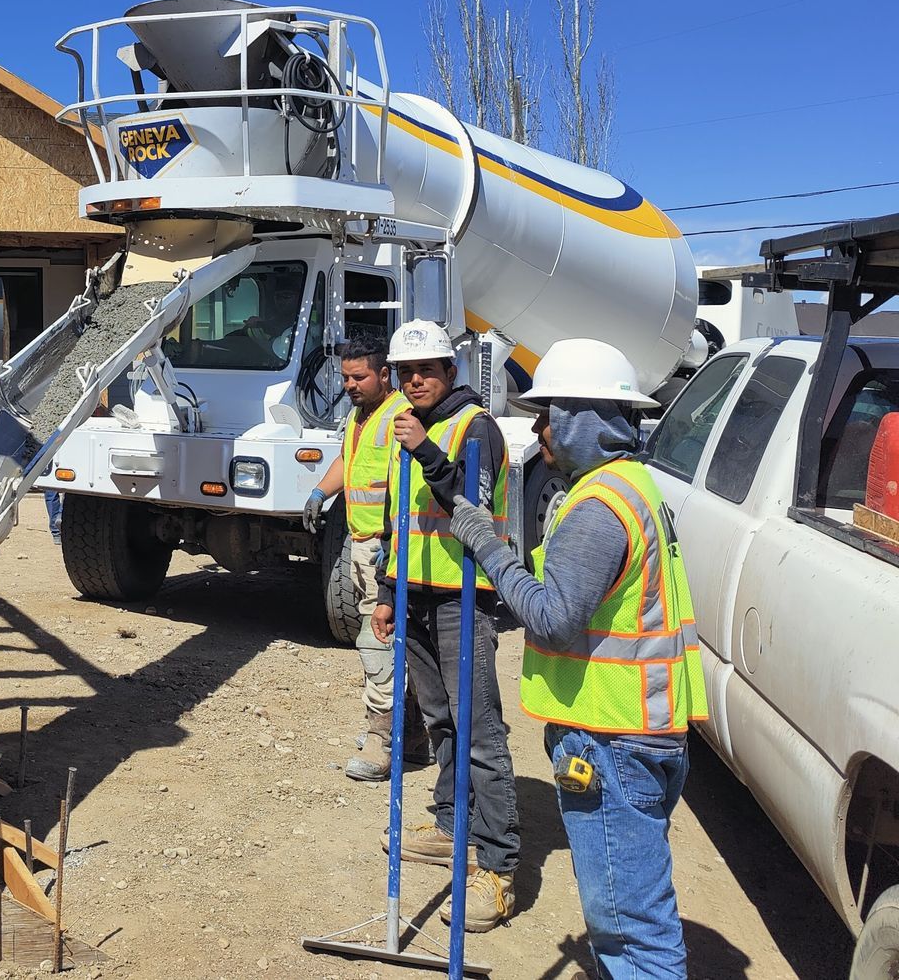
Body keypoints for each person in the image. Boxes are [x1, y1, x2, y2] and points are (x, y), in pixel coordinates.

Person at [448, 338, 707, 979]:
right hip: (645, 729)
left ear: (583, 418)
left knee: (630, 930)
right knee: (629, 912)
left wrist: (485, 544)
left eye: (549, 415)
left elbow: (553, 621)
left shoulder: (598, 509)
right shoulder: (634, 486)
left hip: (613, 740)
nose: (539, 430)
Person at [370, 319, 520, 932]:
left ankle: (498, 864)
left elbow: (470, 504)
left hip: (464, 595)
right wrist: (387, 590)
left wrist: (425, 451)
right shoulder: (410, 424)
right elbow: (398, 515)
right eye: (405, 372)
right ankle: (451, 824)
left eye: (425, 370)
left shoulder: (473, 426)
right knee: (439, 720)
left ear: (449, 372)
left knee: (478, 728)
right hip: (415, 593)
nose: (414, 381)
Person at [303, 335, 413, 782]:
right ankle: (412, 735)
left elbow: (408, 487)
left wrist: (391, 544)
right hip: (363, 544)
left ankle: (382, 739)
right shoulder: (359, 416)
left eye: (359, 377)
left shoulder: (400, 417)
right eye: (345, 377)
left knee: (377, 641)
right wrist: (320, 492)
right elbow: (346, 462)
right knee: (394, 640)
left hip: (385, 548)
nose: (349, 385)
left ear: (384, 374)